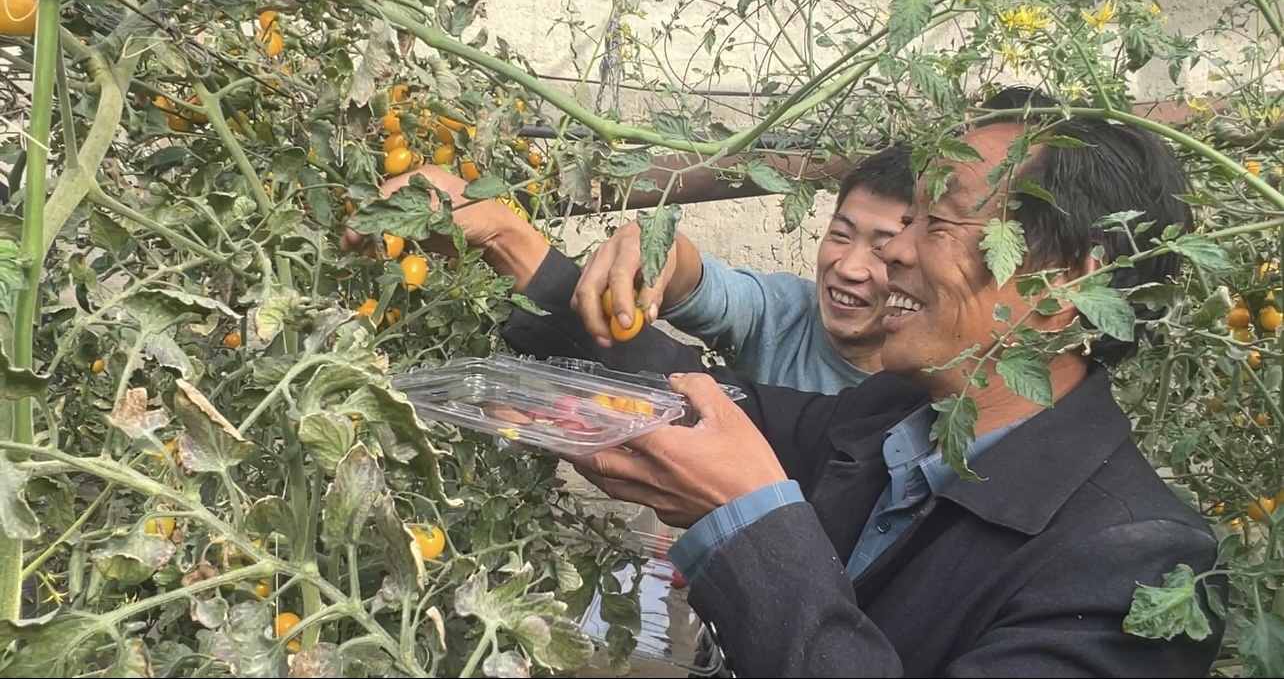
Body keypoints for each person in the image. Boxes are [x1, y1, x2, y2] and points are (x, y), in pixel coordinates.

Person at [347, 84, 1226, 677]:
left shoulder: (1137, 572)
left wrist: (754, 526)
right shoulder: (897, 419)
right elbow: (693, 395)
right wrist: (513, 243)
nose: (893, 258)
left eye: (943, 218)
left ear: (1065, 285)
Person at [573, 144, 914, 395]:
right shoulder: (782, 312)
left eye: (882, 250)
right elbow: (703, 285)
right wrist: (656, 244)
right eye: (840, 235)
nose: (849, 267)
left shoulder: (939, 390)